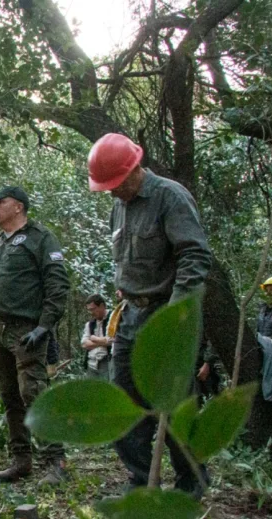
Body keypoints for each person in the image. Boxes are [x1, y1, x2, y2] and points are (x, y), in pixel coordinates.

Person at [88, 132, 213, 498]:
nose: (112, 191)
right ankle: (141, 481)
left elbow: (194, 256)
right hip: (131, 314)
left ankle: (191, 483)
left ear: (135, 168)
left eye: (116, 183)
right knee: (123, 401)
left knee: (176, 403)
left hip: (167, 312)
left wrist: (177, 315)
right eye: (107, 186)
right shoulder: (119, 205)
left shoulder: (169, 197)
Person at [0, 185, 70, 485]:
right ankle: (21, 460)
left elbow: (58, 285)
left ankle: (56, 461)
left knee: (34, 393)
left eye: (0, 202)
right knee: (9, 395)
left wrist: (44, 326)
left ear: (18, 206)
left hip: (26, 329)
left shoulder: (40, 238)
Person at [81, 294, 112, 379]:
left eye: (93, 309)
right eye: (89, 310)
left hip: (107, 362)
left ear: (102, 306)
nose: (91, 312)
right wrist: (102, 342)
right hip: (91, 364)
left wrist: (94, 339)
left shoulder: (112, 319)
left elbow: (111, 340)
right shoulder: (90, 324)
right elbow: (84, 344)